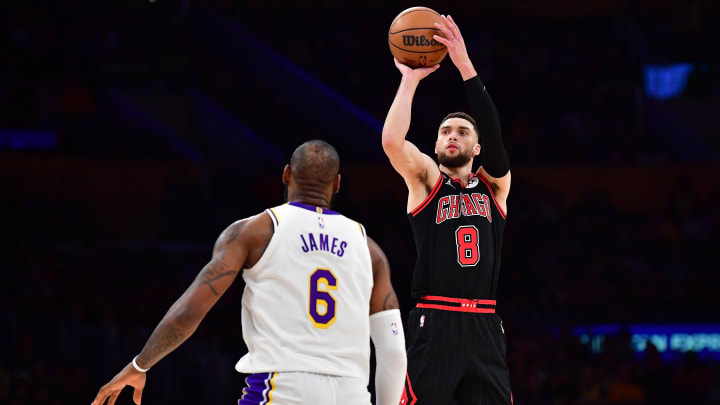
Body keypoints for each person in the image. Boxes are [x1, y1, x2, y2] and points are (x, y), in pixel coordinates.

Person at [91, 140, 407, 405]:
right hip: (352, 393)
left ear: (285, 175)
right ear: (337, 184)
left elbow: (190, 311)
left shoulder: (256, 231)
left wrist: (140, 364)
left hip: (282, 389)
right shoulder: (370, 249)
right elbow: (392, 351)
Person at [381, 15, 512, 405]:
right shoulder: (425, 182)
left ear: (477, 148)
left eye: (462, 132)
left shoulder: (495, 188)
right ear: (436, 145)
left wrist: (464, 64)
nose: (451, 135)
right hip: (434, 319)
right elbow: (392, 141)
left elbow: (494, 131)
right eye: (444, 132)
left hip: (485, 324)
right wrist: (409, 80)